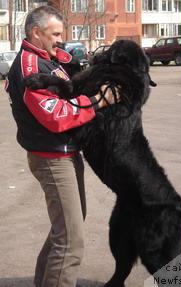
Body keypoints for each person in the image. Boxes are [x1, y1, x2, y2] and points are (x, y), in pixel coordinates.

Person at [5, 5, 118, 287]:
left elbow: (71, 73)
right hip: (52, 159)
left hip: (64, 152)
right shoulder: (31, 67)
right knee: (71, 241)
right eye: (55, 33)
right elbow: (57, 116)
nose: (60, 39)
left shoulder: (49, 59)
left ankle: (44, 280)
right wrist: (100, 101)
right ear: (35, 32)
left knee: (66, 229)